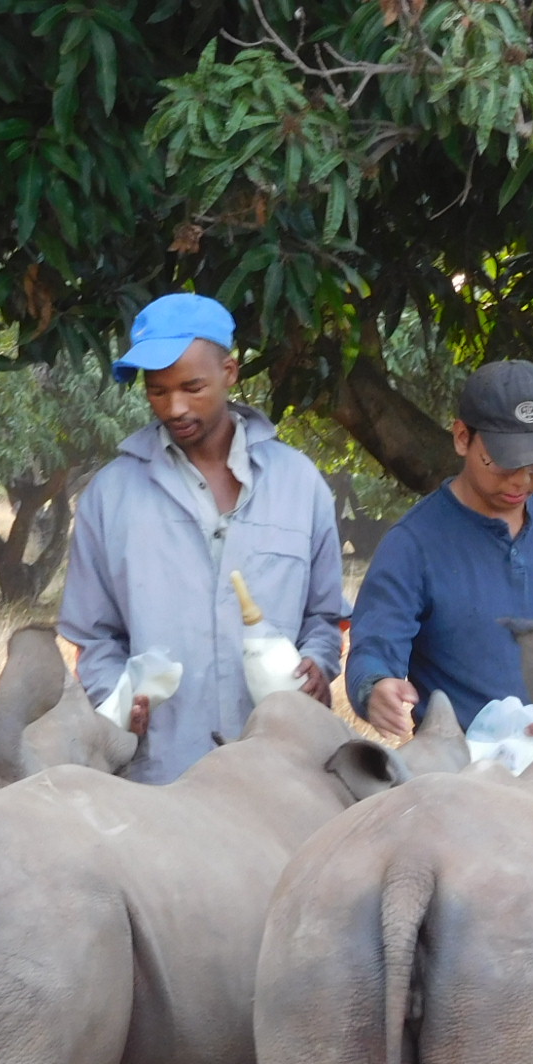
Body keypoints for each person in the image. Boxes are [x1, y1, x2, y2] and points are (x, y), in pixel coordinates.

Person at [59, 292, 343, 785]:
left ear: (230, 371)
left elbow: (323, 616)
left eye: (193, 386)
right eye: (157, 391)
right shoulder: (112, 495)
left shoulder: (299, 484)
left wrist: (316, 665)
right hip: (158, 779)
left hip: (282, 776)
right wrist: (116, 698)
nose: (175, 407)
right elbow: (93, 633)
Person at [344, 360, 533, 738]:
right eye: (502, 461)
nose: (521, 479)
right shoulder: (413, 544)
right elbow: (374, 649)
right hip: (457, 772)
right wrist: (374, 688)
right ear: (462, 438)